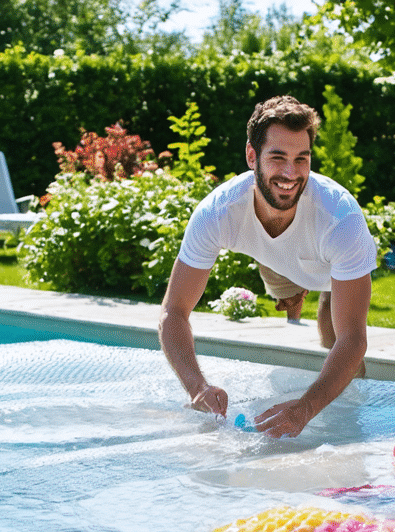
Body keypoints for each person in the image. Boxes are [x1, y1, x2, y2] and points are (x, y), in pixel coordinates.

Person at [159, 95, 377, 439]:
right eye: (277, 158)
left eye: (301, 159)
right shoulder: (218, 211)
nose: (290, 173)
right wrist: (197, 388)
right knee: (286, 291)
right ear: (251, 156)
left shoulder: (340, 219)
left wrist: (304, 409)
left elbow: (354, 341)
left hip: (324, 266)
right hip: (279, 261)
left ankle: (348, 406)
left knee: (335, 332)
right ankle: (290, 294)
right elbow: (174, 311)